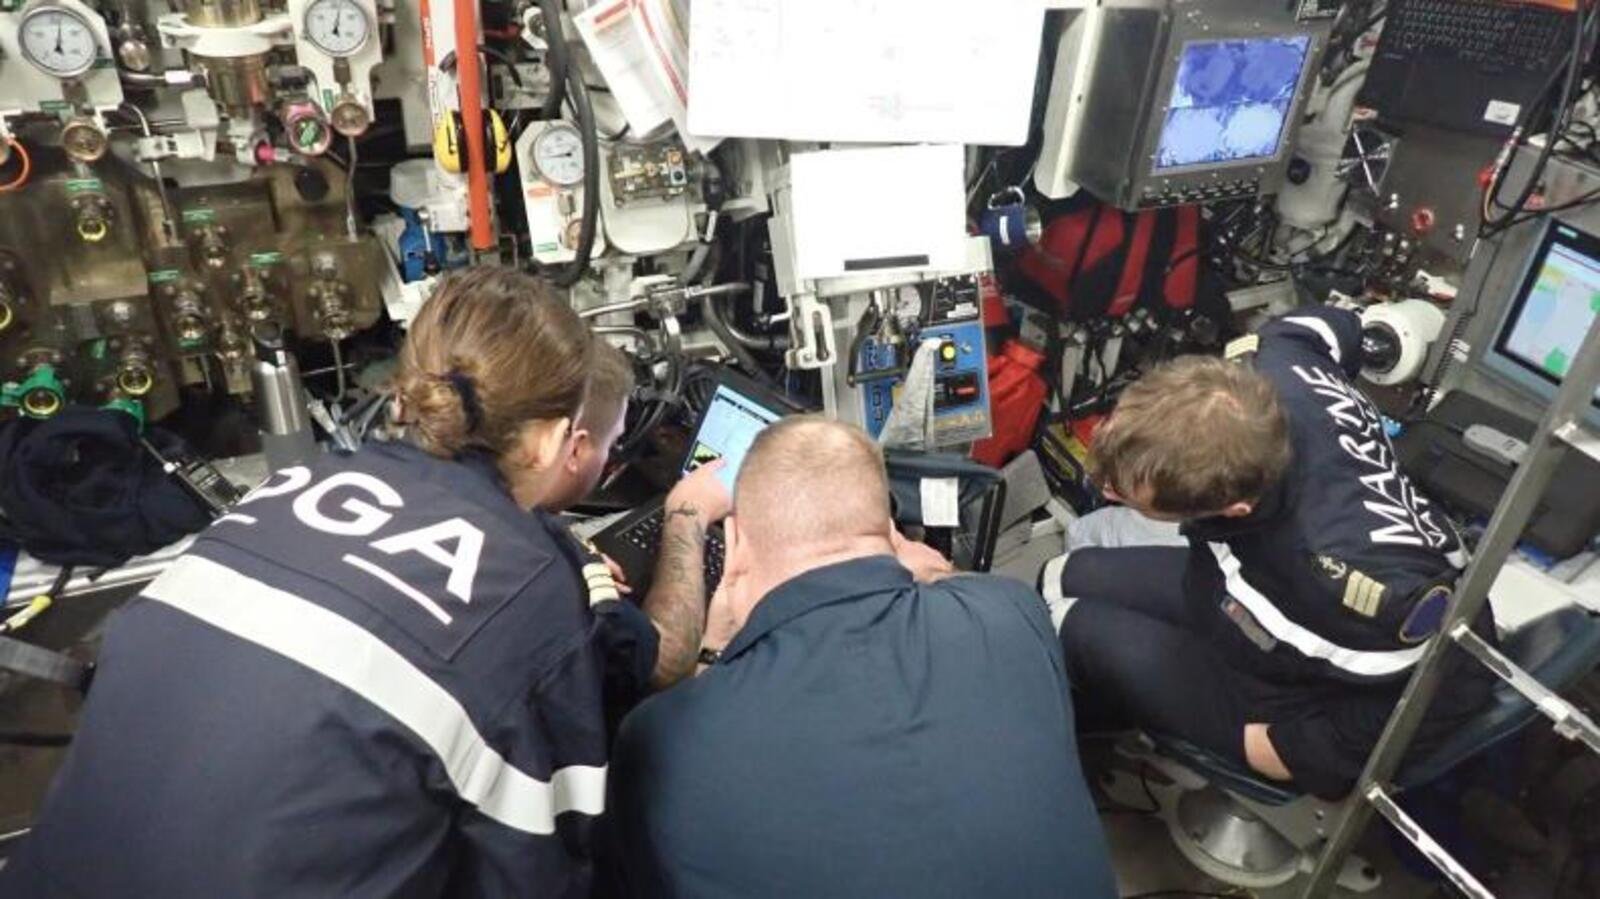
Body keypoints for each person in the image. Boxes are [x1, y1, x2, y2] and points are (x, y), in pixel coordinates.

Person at [1, 267, 723, 897]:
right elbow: (541, 864)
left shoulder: (296, 483)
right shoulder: (531, 586)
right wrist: (683, 520)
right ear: (553, 440)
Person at [607, 417, 1117, 899]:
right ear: (890, 531)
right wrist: (918, 568)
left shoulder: (663, 736)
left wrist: (711, 653)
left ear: (736, 545)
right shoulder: (1014, 612)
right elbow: (961, 586)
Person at [1039, 305, 1492, 799]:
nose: (1104, 487)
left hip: (1290, 689)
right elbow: (1336, 326)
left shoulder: (1354, 586)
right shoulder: (1282, 356)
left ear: (1232, 508)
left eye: (1122, 495)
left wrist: (1294, 750)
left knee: (1067, 624)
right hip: (1226, 593)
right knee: (1060, 576)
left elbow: (1455, 680)